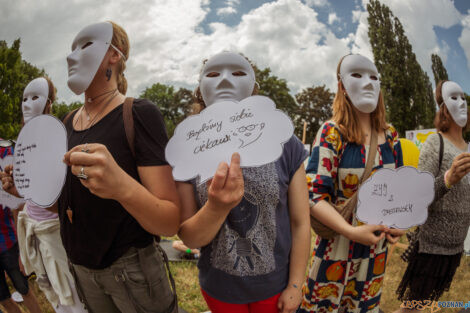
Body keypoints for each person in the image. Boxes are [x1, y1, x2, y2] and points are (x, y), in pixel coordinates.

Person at [41, 21, 177, 313]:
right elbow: (64, 206)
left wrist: (122, 187)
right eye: (71, 49)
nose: (70, 57)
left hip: (132, 272)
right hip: (81, 270)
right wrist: (32, 188)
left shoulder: (138, 114)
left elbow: (168, 221)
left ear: (115, 55)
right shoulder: (64, 123)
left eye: (85, 45)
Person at [177, 51, 311, 313]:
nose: (225, 80)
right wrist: (216, 207)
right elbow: (190, 237)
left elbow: (300, 221)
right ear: (200, 90)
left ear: (254, 87)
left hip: (276, 285)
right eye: (213, 74)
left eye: (238, 73)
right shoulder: (186, 149)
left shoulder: (285, 143)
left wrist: (295, 285)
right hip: (220, 288)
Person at [298, 54, 404, 313]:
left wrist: (397, 223)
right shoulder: (331, 133)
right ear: (341, 86)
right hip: (336, 248)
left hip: (374, 253)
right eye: (357, 75)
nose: (368, 83)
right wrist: (351, 232)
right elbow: (313, 195)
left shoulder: (391, 136)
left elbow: (399, 191)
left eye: (374, 77)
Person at [2, 77, 87, 313]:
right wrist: (15, 189)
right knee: (52, 291)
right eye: (24, 99)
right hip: (34, 230)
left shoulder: (60, 136)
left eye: (35, 97)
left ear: (49, 103)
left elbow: (65, 193)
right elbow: (29, 196)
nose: (27, 104)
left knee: (73, 294)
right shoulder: (22, 143)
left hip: (56, 231)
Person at [394, 80, 470, 313]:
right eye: (454, 98)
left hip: (456, 246)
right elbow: (419, 194)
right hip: (432, 247)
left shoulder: (468, 147)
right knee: (412, 308)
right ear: (443, 109)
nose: (462, 103)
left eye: (464, 98)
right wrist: (449, 178)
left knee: (424, 305)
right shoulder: (434, 143)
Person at [0, 140, 41, 313]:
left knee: (24, 289)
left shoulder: (6, 152)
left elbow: (20, 201)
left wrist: (23, 246)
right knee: (3, 299)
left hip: (9, 239)